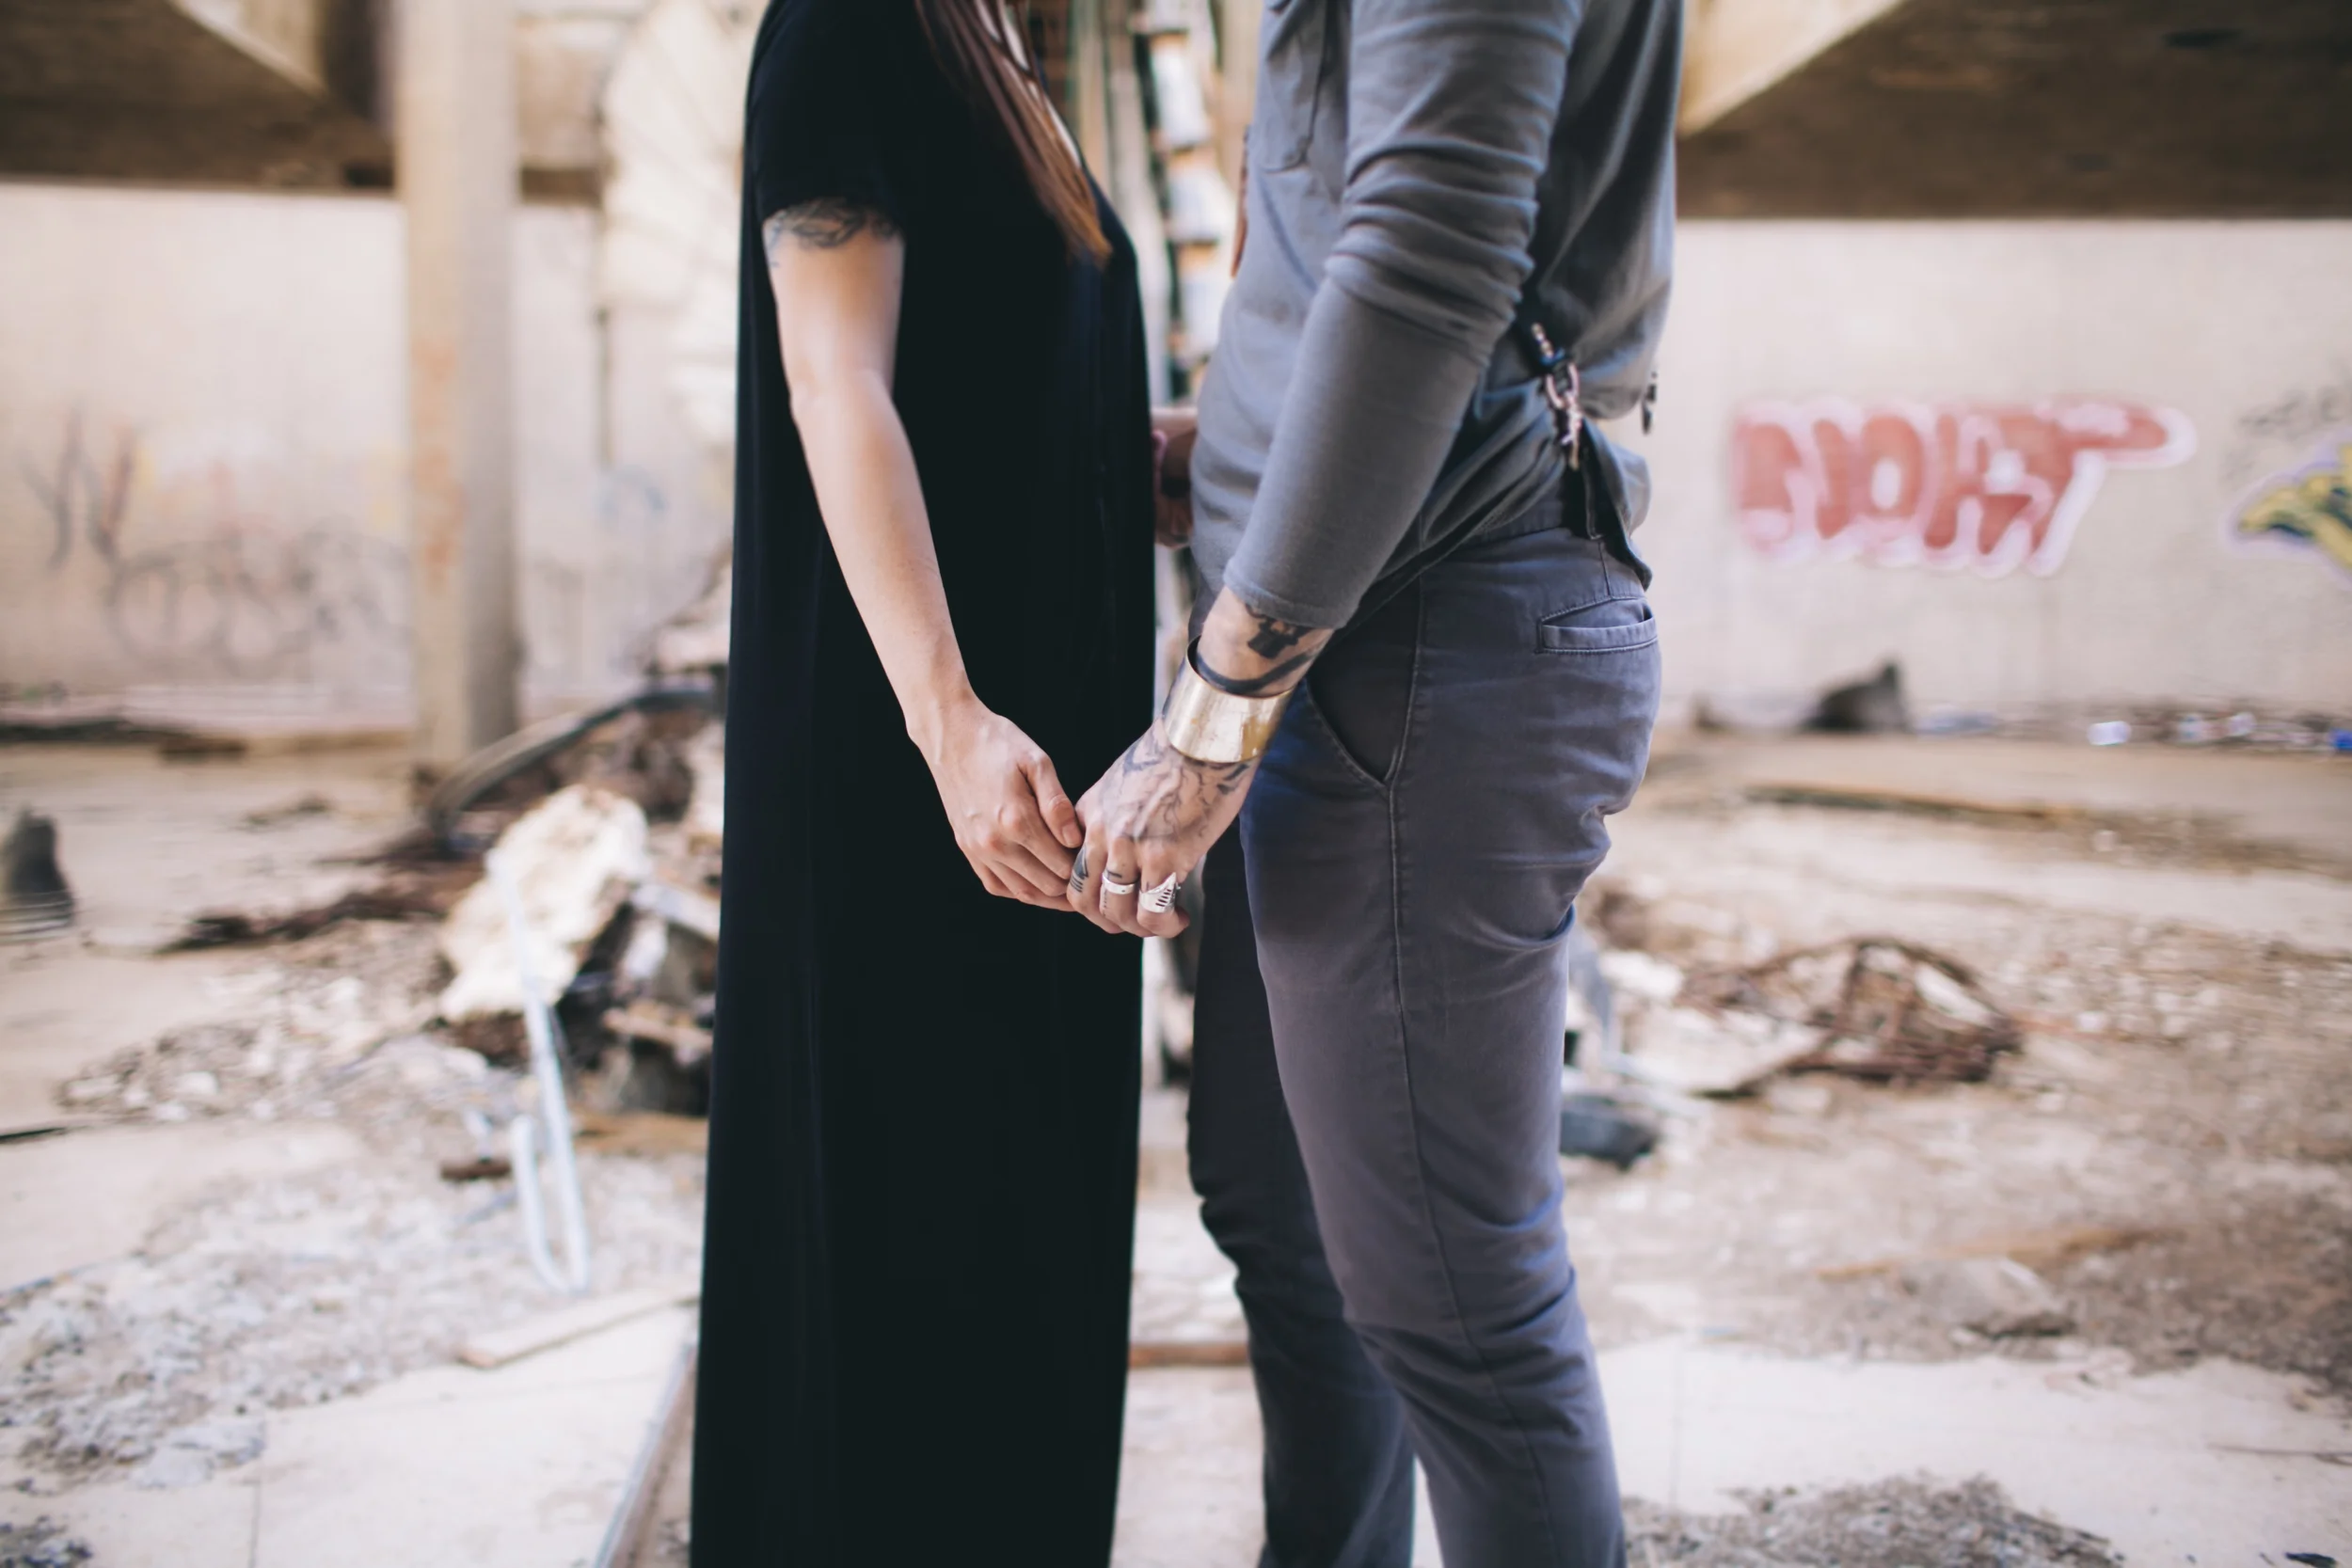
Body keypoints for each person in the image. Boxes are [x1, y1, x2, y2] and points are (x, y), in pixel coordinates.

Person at [1067, 1, 1682, 1563]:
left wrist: (1214, 713)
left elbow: (1430, 257)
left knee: (1454, 1302)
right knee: (1292, 1221)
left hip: (1421, 642)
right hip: (1365, 624)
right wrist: (1238, 457)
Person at [690, 1, 1161, 1560]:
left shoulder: (1000, 42)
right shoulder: (850, 25)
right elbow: (840, 387)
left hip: (1045, 762)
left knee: (1023, 1229)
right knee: (917, 1236)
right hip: (923, 768)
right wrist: (950, 721)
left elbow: (995, 379)